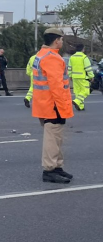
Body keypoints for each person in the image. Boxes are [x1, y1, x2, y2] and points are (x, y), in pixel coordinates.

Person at [31, 28, 73, 184]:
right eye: (61, 39)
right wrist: (62, 108)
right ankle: (50, 169)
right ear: (57, 41)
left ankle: (56, 167)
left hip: (44, 103)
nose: (62, 42)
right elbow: (56, 86)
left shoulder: (41, 55)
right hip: (53, 105)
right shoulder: (52, 58)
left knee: (56, 138)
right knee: (52, 138)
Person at [67, 43, 93, 111]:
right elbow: (88, 68)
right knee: (86, 91)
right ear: (83, 49)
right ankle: (77, 101)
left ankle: (80, 106)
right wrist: (91, 76)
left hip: (74, 77)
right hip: (83, 77)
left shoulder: (72, 57)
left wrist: (70, 76)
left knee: (78, 92)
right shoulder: (84, 57)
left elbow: (69, 68)